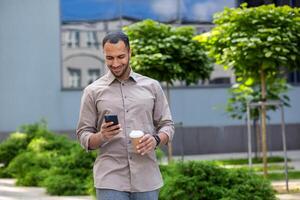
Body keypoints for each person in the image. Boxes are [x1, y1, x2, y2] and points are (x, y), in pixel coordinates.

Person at [76, 31, 174, 200]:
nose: (115, 63)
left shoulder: (152, 86)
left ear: (130, 53)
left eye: (120, 57)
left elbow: (167, 125)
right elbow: (83, 134)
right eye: (109, 58)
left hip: (146, 179)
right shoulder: (93, 91)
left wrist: (156, 140)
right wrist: (102, 136)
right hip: (110, 179)